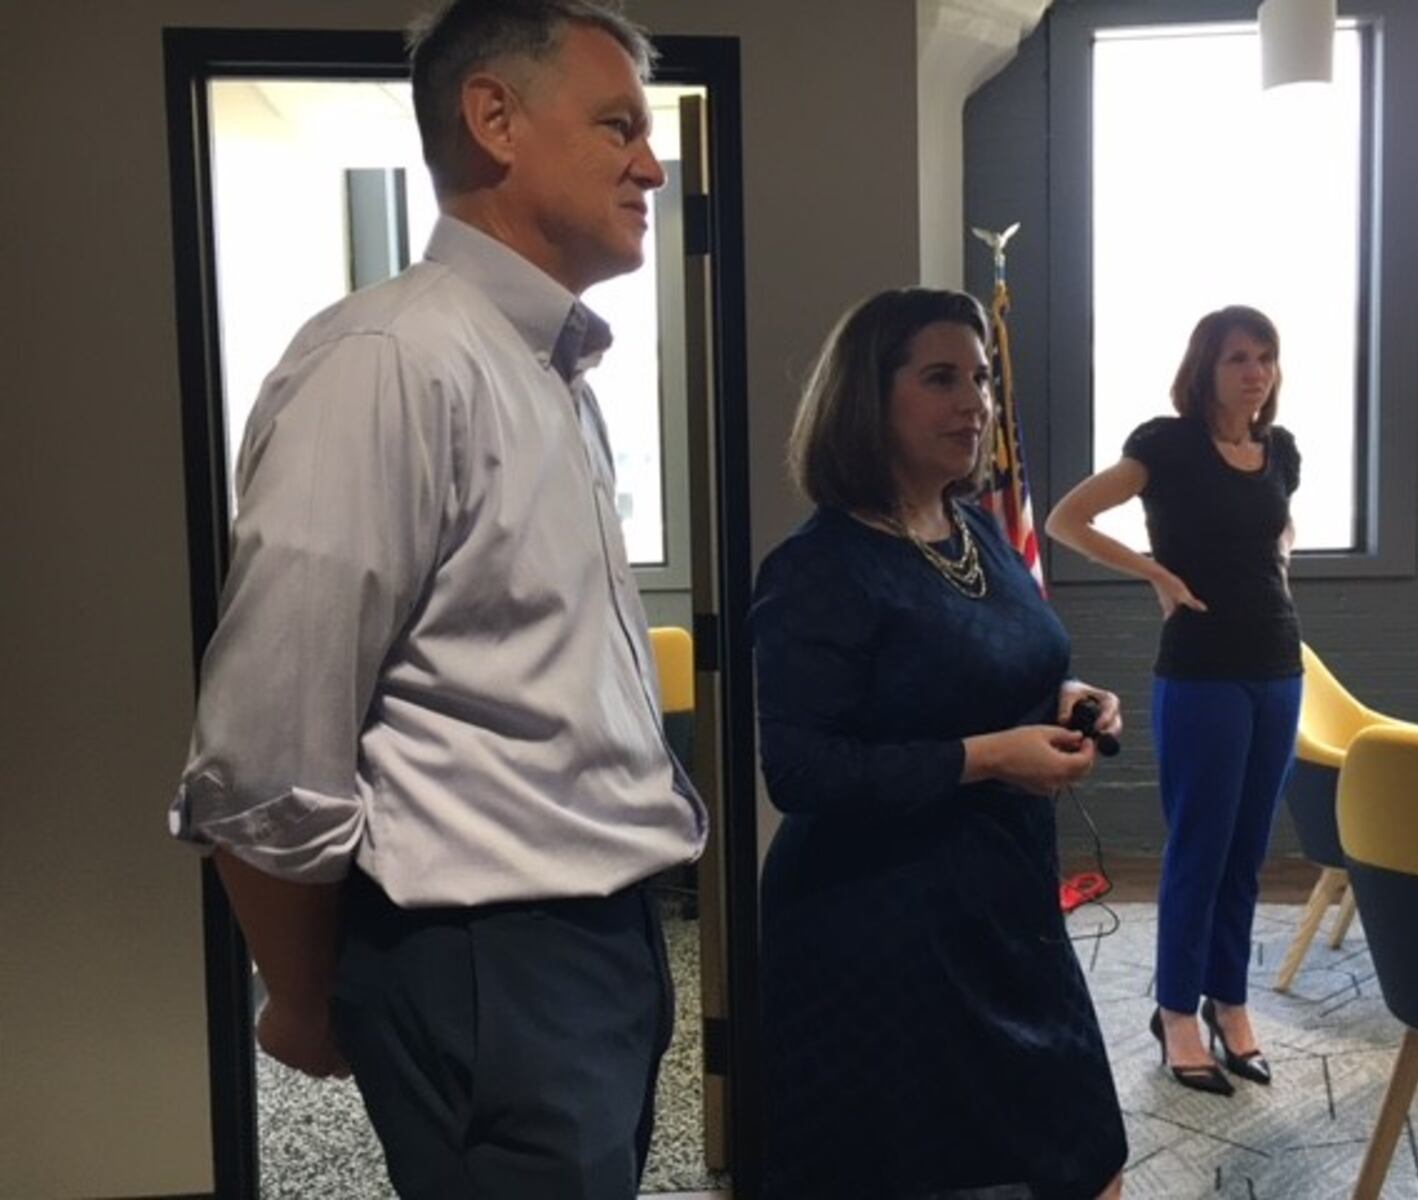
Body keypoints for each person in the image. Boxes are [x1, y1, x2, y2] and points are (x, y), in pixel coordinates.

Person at [168, 2, 706, 1195]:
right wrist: (310, 995)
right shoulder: (391, 362)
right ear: (494, 118)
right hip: (488, 958)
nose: (650, 163)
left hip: (601, 939)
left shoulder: (549, 373)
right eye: (617, 124)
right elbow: (261, 753)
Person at [751, 287, 1128, 1199]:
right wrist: (992, 756)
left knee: (1086, 1155)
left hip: (1005, 904)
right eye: (941, 379)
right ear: (867, 398)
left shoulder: (978, 530)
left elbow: (994, 666)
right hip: (881, 931)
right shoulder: (819, 568)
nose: (976, 403)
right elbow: (799, 770)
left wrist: (1067, 695)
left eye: (983, 379)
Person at [1045, 305, 1304, 1097]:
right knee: (1200, 847)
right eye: (1237, 358)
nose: (1254, 372)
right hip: (1200, 671)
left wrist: (1279, 567)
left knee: (1246, 852)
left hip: (1276, 664)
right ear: (1207, 368)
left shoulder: (1280, 450)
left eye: (1264, 357)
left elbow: (1279, 528)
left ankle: (1229, 1003)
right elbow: (1067, 518)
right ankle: (1175, 1014)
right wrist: (1157, 573)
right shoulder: (1168, 444)